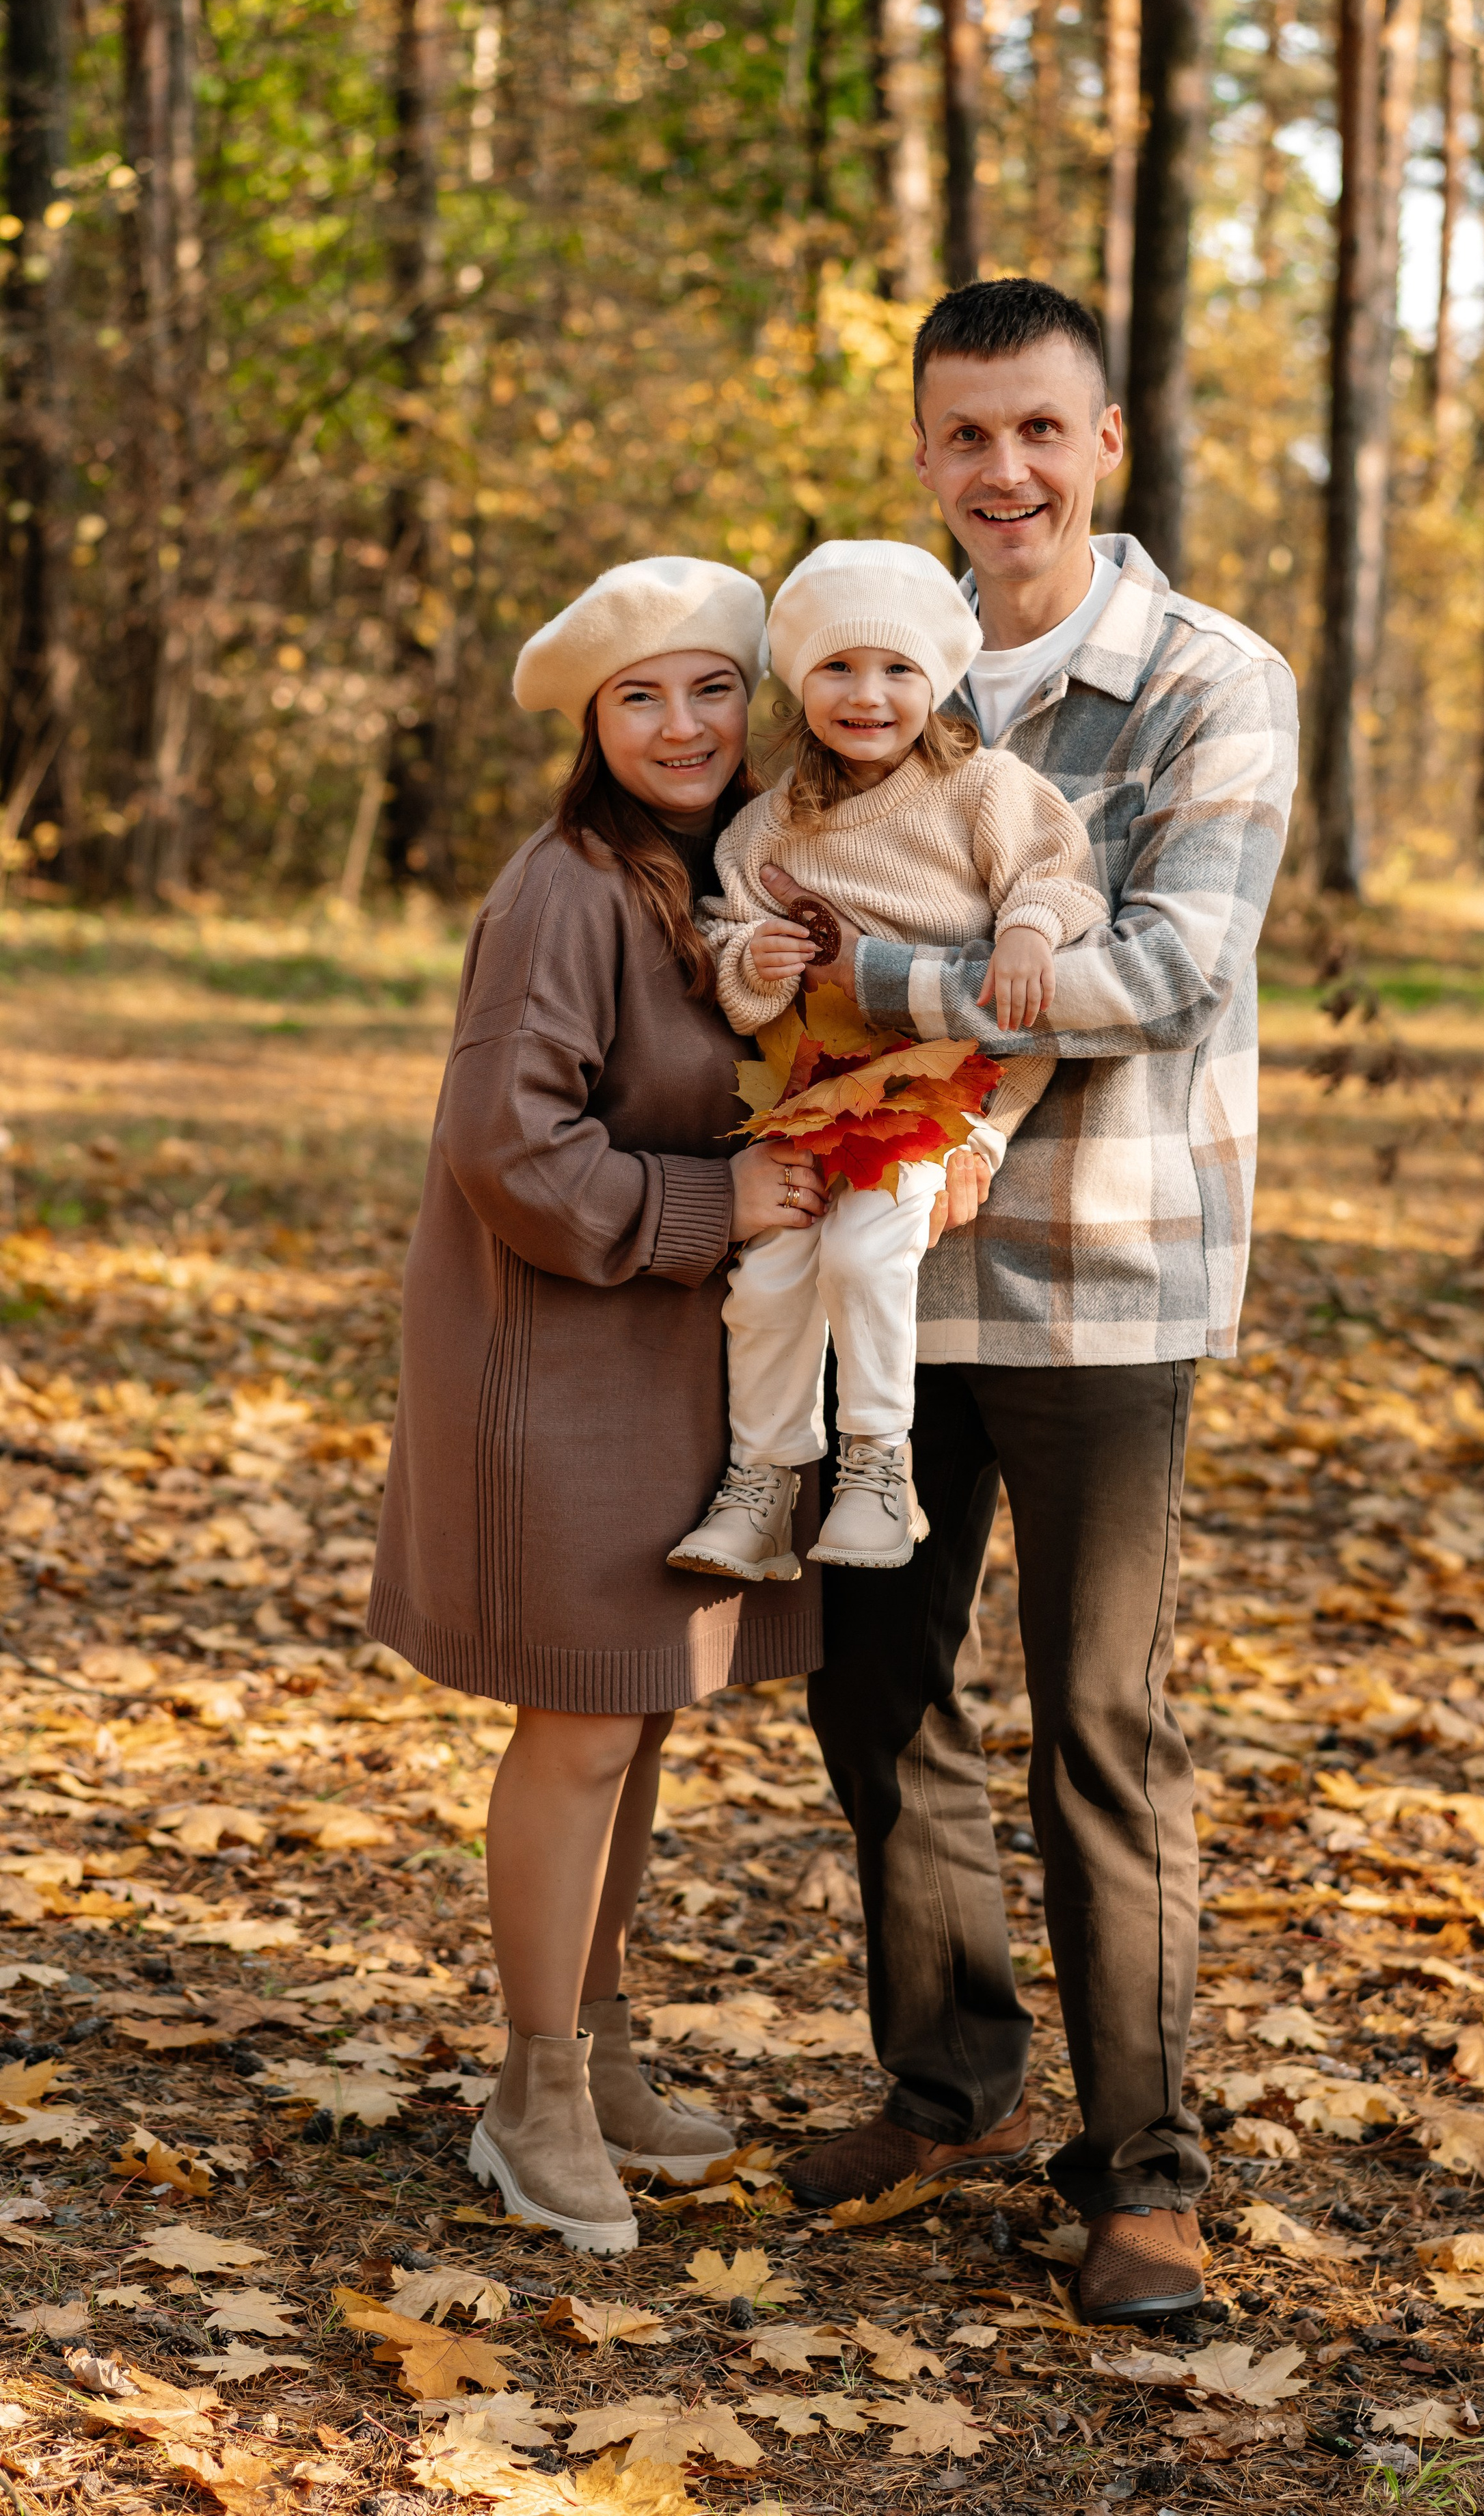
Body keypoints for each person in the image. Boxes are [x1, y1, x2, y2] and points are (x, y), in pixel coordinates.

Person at [764, 280, 1299, 2325]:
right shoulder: (858, 657)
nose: (1004, 472)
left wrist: (864, 989)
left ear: (1106, 448)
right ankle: (952, 2077)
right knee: (876, 1685)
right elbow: (746, 887)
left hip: (1103, 1265)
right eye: (965, 435)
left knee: (1100, 1716)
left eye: (1040, 433)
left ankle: (1145, 2165)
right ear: (923, 451)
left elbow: (1169, 971)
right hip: (874, 1257)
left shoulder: (1207, 679)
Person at [366, 556, 828, 2254]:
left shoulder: (729, 877)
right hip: (550, 1362)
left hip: (670, 1363)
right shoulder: (564, 888)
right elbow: (509, 1147)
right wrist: (720, 1207)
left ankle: (602, 2040)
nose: (684, 721)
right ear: (593, 722)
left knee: (633, 1714)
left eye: (712, 687)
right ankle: (531, 2089)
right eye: (643, 696)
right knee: (575, 1725)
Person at [666, 538, 1105, 1581]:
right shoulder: (764, 829)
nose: (869, 695)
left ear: (937, 678)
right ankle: (764, 1484)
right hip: (816, 1085)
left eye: (898, 669)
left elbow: (1061, 874)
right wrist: (754, 959)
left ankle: (875, 1466)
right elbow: (730, 947)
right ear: (801, 680)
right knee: (769, 1274)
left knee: (865, 1254)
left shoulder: (984, 789)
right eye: (839, 668)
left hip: (940, 1079)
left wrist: (1031, 930)